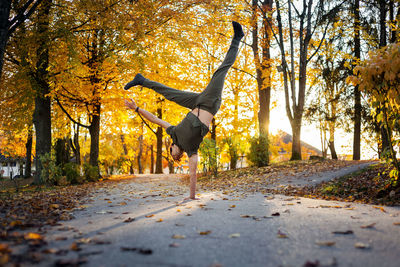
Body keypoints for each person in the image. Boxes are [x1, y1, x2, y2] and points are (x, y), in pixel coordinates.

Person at [124, 21, 244, 200]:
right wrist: (192, 196)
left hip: (196, 102)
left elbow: (155, 119)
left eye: (173, 155)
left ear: (171, 147)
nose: (176, 156)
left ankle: (142, 80)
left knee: (169, 94)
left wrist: (137, 109)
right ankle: (237, 39)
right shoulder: (191, 150)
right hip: (210, 103)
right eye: (176, 158)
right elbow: (193, 173)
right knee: (221, 71)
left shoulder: (173, 133)